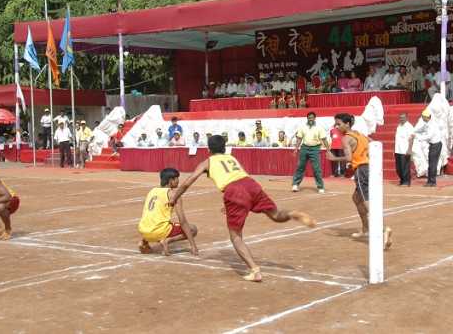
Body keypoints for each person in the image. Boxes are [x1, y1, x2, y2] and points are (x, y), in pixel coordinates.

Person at [169, 135, 316, 281]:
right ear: (224, 147)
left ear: (208, 149)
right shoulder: (232, 159)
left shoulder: (207, 162)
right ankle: (292, 213)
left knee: (236, 236)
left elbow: (188, 182)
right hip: (250, 184)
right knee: (276, 215)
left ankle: (254, 270)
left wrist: (175, 197)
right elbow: (237, 177)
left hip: (234, 191)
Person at [325, 113, 393, 247]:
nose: (336, 126)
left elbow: (349, 158)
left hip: (361, 170)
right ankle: (366, 229)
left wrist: (334, 159)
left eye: (338, 124)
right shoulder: (359, 134)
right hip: (368, 167)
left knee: (367, 202)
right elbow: (373, 143)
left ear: (347, 124)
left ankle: (384, 229)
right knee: (356, 198)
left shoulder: (345, 139)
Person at [138, 168, 198, 256]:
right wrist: (193, 246)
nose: (178, 181)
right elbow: (183, 221)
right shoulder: (173, 194)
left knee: (159, 221)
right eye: (177, 178)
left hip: (143, 231)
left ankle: (144, 242)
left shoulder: (152, 191)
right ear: (171, 180)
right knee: (193, 229)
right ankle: (167, 241)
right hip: (159, 231)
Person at [291, 112, 328, 193]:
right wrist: (296, 148)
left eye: (312, 118)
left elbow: (324, 139)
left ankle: (320, 186)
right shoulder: (302, 127)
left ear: (315, 118)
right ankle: (295, 184)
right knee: (300, 166)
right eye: (309, 118)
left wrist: (328, 149)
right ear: (307, 118)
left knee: (316, 168)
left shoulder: (319, 128)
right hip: (304, 148)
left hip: (315, 148)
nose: (310, 119)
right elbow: (299, 138)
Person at [414, 108, 442, 187]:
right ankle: (431, 181)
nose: (422, 118)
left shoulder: (431, 125)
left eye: (423, 117)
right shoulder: (428, 123)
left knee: (432, 163)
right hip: (434, 145)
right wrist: (415, 132)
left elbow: (429, 136)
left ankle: (432, 182)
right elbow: (421, 130)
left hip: (436, 145)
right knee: (431, 163)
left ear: (427, 117)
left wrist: (419, 138)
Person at [394, 113, 414, 186]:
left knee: (405, 167)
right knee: (398, 168)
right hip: (397, 150)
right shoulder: (399, 126)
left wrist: (409, 149)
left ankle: (406, 182)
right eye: (400, 117)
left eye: (403, 117)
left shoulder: (409, 127)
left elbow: (412, 138)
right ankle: (402, 180)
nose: (401, 119)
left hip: (404, 150)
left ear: (406, 118)